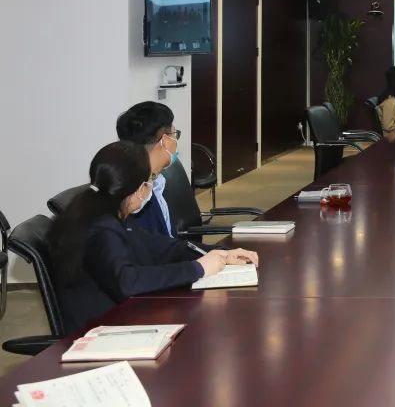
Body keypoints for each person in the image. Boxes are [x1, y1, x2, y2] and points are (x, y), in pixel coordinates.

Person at [48, 141, 258, 333]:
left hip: (121, 316)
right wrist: (197, 268)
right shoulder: (102, 227)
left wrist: (221, 254)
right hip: (100, 331)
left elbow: (161, 247)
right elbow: (128, 282)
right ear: (140, 188)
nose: (151, 186)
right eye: (151, 179)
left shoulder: (112, 212)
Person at [114, 102, 180, 237]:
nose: (176, 140)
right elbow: (156, 247)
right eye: (175, 134)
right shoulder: (137, 199)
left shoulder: (155, 181)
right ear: (165, 140)